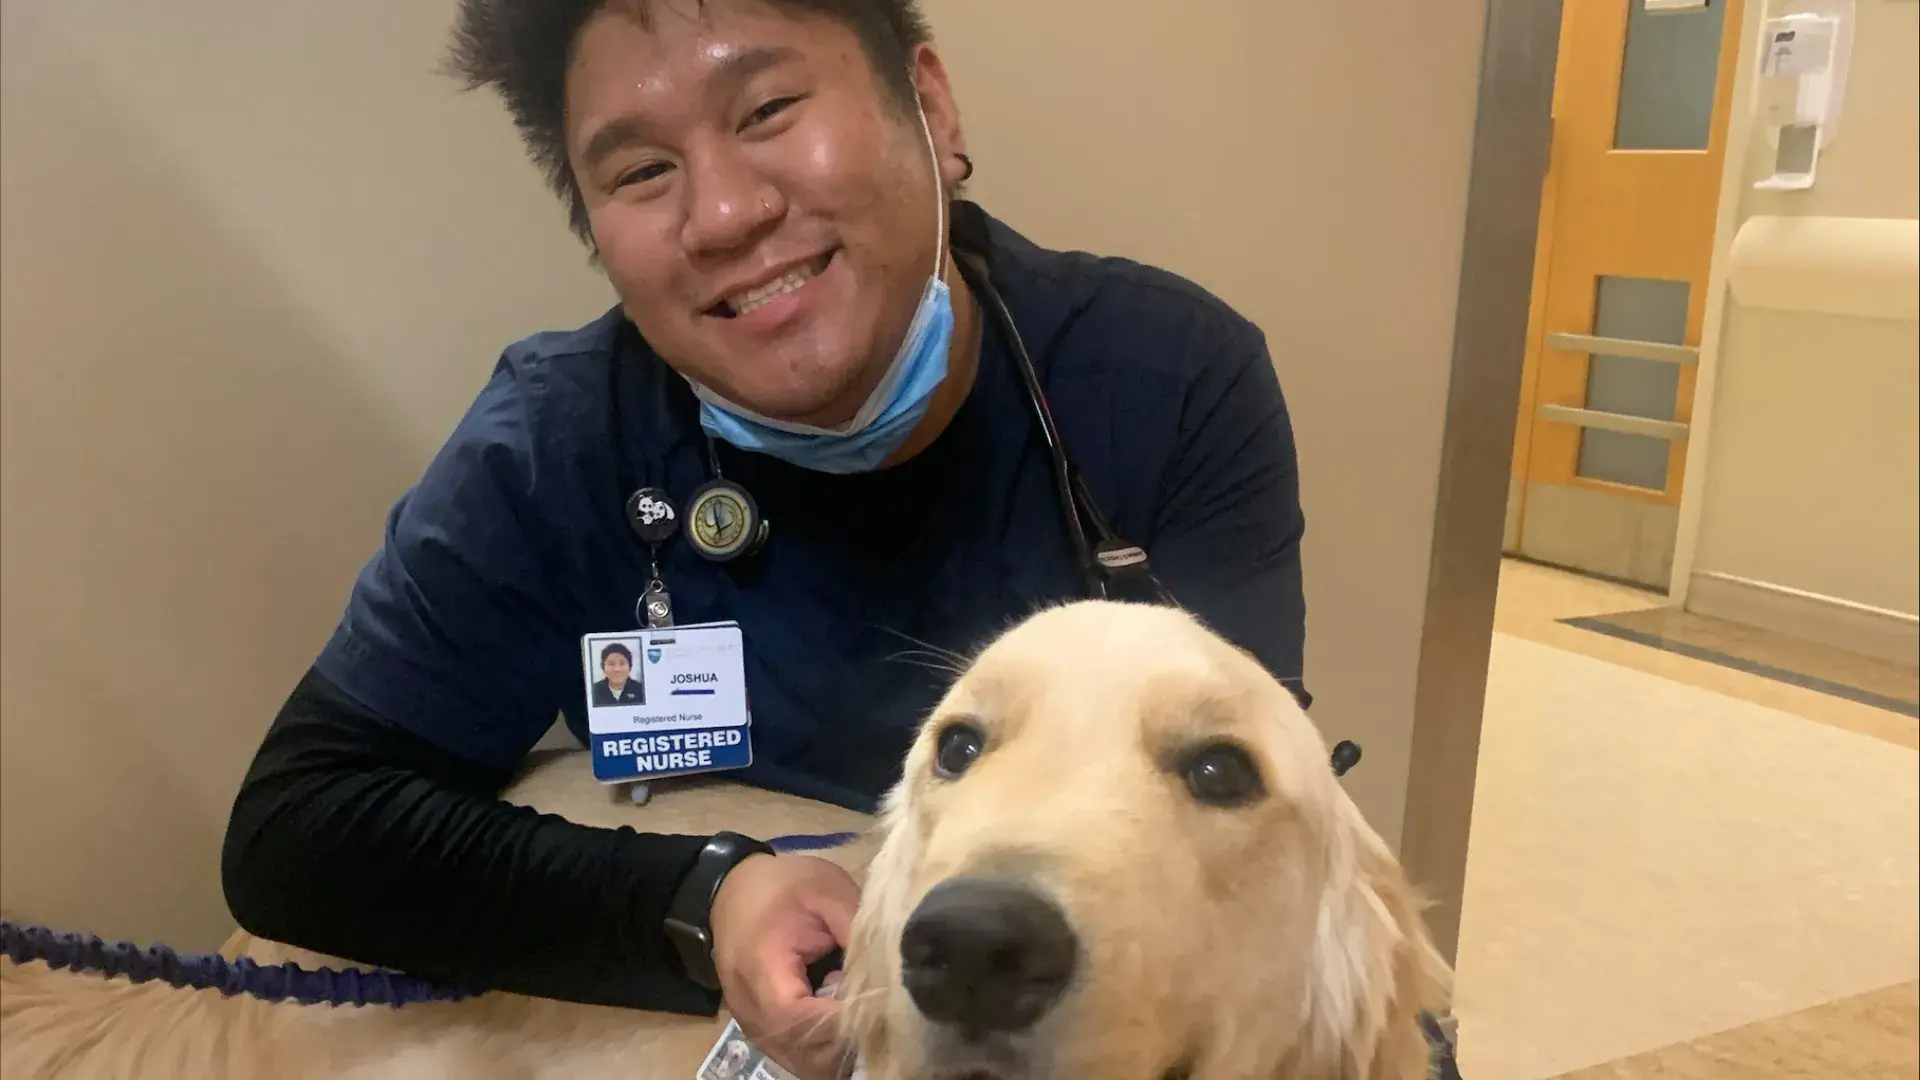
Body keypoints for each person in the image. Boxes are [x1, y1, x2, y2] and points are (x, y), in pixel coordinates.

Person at [219, 1, 1308, 1077]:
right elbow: (302, 828)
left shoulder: (1169, 384)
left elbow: (1248, 838)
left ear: (930, 109)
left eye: (769, 108)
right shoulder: (557, 448)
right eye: (641, 172)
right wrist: (702, 898)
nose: (725, 215)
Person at [590, 642, 646, 706]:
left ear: (630, 667)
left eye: (622, 663)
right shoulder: (593, 690)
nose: (617, 669)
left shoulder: (641, 690)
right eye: (611, 664)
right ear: (603, 667)